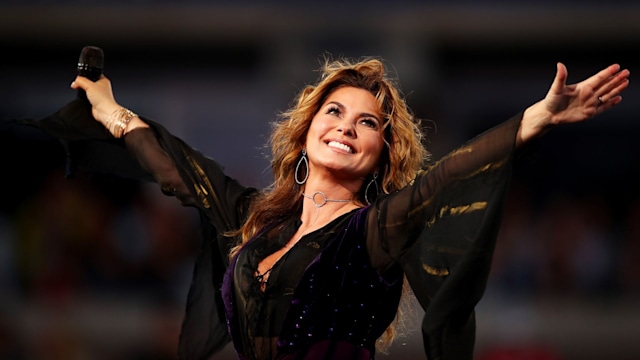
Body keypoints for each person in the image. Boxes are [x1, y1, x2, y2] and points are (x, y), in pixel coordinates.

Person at [13, 56, 630, 360]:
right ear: (308, 130)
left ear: (380, 155)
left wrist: (535, 120)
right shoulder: (255, 220)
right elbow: (180, 170)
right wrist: (108, 109)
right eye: (334, 112)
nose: (346, 127)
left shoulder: (375, 230)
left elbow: (450, 175)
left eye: (367, 123)